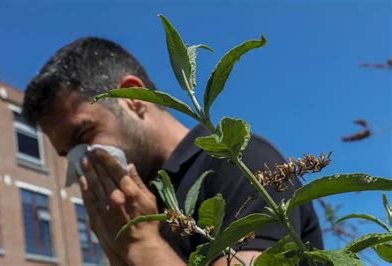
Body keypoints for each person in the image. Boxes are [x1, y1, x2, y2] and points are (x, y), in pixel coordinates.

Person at [22, 37, 323, 265]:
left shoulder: (238, 161)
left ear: (133, 98)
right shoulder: (141, 201)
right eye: (68, 155)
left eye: (85, 135)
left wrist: (141, 245)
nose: (83, 161)